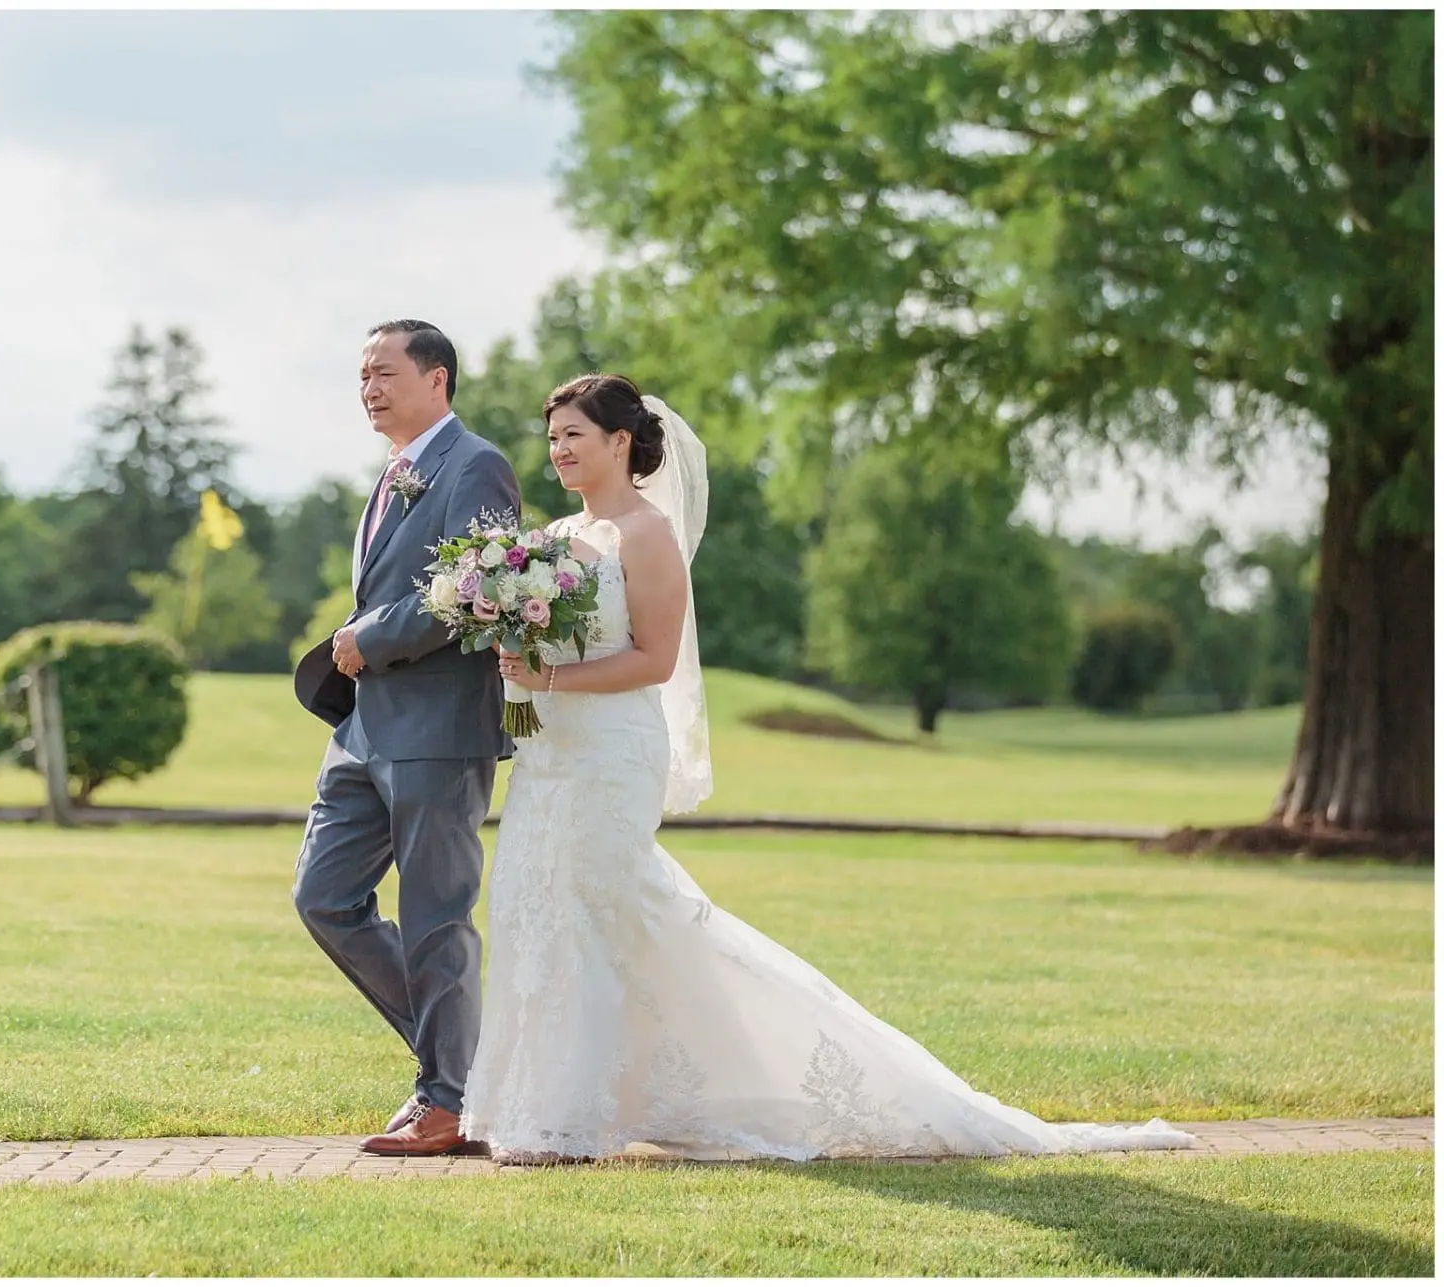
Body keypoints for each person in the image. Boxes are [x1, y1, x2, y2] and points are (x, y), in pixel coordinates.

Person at [460, 373, 1198, 1166]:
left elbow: (654, 659)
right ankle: (549, 1104)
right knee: (540, 907)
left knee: (597, 912)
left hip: (612, 756)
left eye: (574, 434)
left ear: (619, 442)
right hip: (552, 757)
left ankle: (574, 1123)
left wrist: (551, 680)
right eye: (553, 437)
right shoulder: (560, 537)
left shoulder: (646, 534)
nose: (560, 449)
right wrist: (521, 655)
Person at [290, 319, 520, 1157]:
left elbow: (482, 586)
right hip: (360, 730)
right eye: (361, 376)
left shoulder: (476, 465)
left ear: (439, 379)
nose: (369, 388)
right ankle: (457, 1065)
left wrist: (372, 637)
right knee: (323, 897)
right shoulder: (392, 476)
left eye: (385, 372)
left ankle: (451, 1097)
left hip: (437, 726)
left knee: (434, 916)